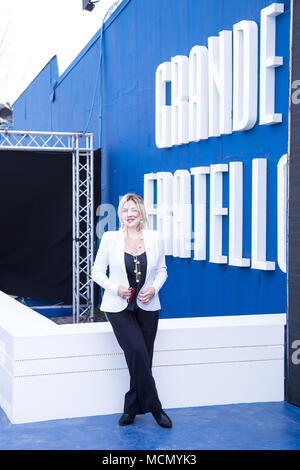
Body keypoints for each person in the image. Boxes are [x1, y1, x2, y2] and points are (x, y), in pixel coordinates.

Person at [92, 193, 172, 428]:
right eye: (125, 210)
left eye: (133, 210)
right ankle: (156, 409)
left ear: (141, 213)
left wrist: (154, 288)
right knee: (137, 351)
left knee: (143, 358)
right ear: (120, 213)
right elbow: (97, 272)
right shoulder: (109, 238)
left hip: (148, 306)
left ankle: (130, 408)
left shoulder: (155, 238)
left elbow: (162, 270)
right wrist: (115, 288)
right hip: (118, 308)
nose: (129, 214)